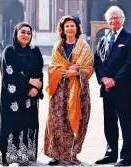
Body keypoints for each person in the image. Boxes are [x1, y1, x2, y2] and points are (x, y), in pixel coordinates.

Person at [93, 6, 131, 166]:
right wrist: (103, 79)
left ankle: (125, 157)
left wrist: (114, 80)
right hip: (106, 89)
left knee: (125, 123)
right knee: (109, 123)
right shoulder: (103, 39)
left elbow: (130, 63)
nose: (113, 21)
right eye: (110, 18)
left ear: (122, 19)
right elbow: (97, 62)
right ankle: (110, 154)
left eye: (116, 18)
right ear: (107, 21)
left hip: (123, 88)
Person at [44, 15, 94, 166]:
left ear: (77, 29)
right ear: (63, 29)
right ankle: (56, 154)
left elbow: (89, 68)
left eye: (72, 26)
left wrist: (77, 73)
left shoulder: (84, 47)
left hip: (77, 91)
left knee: (76, 120)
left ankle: (71, 154)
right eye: (67, 26)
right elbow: (52, 67)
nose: (70, 29)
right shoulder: (58, 47)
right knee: (57, 121)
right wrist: (63, 69)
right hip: (59, 90)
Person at [0, 22, 44, 167]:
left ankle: (27, 155)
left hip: (30, 97)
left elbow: (39, 72)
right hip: (13, 98)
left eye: (29, 33)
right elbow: (9, 73)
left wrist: (37, 88)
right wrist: (30, 81)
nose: (26, 35)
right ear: (16, 33)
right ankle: (10, 156)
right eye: (22, 32)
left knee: (28, 123)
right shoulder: (9, 51)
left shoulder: (34, 51)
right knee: (12, 124)